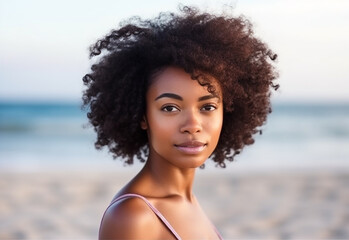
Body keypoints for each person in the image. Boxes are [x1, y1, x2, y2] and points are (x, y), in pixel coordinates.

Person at [82, 5, 278, 240]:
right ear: (143, 116)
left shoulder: (187, 200)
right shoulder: (133, 217)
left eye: (207, 107)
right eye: (170, 108)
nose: (192, 124)